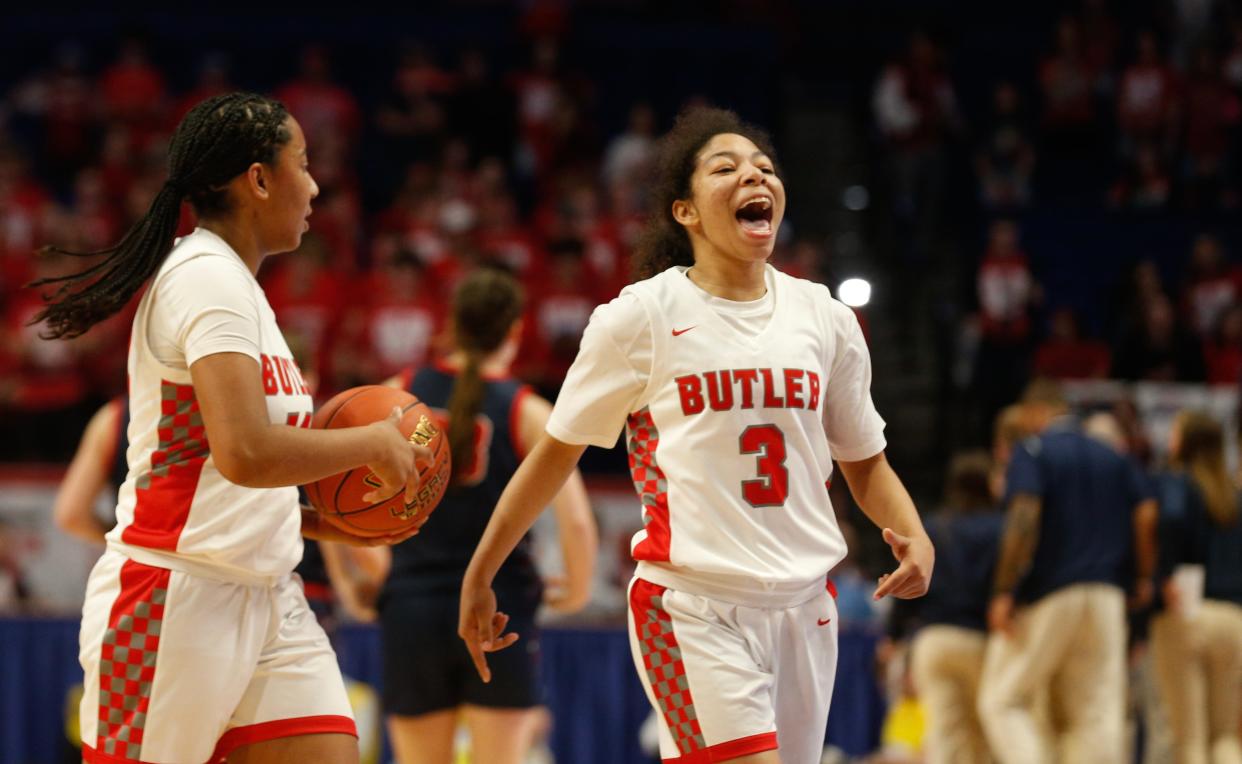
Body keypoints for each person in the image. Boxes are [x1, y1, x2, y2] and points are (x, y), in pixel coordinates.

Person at [459, 106, 933, 764]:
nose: (752, 176)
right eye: (726, 168)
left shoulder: (824, 318)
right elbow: (552, 458)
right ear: (685, 210)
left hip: (806, 607)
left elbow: (865, 463)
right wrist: (480, 571)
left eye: (764, 168)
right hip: (692, 606)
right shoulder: (641, 317)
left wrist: (914, 532)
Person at [30, 92, 427, 764]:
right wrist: (372, 444)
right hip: (174, 597)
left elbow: (227, 467)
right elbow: (243, 451)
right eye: (302, 164)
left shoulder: (245, 291)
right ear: (260, 179)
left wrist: (317, 518)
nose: (316, 184)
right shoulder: (203, 279)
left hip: (268, 593)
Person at [342, 268, 597, 764]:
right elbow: (579, 524)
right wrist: (579, 590)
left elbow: (342, 492)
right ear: (517, 330)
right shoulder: (528, 410)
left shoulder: (399, 390)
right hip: (498, 609)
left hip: (413, 607)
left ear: (451, 325)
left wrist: (378, 573)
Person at [978, 379, 1157, 764]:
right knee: (1097, 711)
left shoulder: (1033, 449)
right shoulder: (1114, 455)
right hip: (1108, 595)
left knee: (1003, 699)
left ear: (1033, 413)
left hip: (1052, 588)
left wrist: (1004, 590)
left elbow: (1024, 516)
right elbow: (1146, 515)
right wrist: (1143, 575)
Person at [1147, 411, 1242, 764]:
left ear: (1185, 441)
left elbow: (1169, 519)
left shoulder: (1177, 483)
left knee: (1189, 741)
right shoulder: (1233, 493)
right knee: (1226, 738)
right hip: (1234, 618)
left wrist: (1164, 573)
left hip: (1188, 613)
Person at [903, 450, 1003, 764]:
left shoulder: (932, 526)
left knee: (945, 736)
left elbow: (908, 583)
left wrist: (896, 639)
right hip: (981, 639)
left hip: (933, 641)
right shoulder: (1000, 528)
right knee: (986, 736)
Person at [52, 396, 127, 546]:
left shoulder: (115, 416)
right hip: (187, 560)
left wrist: (121, 545)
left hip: (140, 560)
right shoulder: (187, 409)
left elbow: (70, 515)